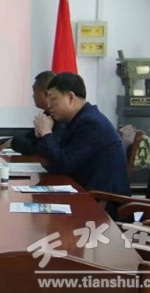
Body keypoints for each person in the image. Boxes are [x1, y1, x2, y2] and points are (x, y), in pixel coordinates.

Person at [33, 72, 130, 217]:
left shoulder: (90, 123)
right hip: (87, 194)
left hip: (104, 206)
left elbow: (62, 164)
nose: (48, 105)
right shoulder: (77, 120)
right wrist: (42, 135)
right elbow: (52, 161)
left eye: (53, 99)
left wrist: (46, 133)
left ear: (70, 97)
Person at [0, 71, 64, 154]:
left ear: (46, 94)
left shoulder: (61, 118)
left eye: (34, 91)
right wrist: (0, 142)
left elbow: (39, 148)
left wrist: (13, 143)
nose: (32, 95)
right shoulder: (47, 114)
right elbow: (30, 136)